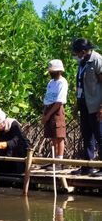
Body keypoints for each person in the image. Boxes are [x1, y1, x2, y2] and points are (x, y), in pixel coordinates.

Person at [71, 38, 102, 176]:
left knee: (100, 136)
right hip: (84, 105)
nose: (76, 55)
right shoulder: (82, 62)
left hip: (96, 106)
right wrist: (76, 104)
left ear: (83, 51)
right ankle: (87, 166)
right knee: (87, 135)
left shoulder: (97, 60)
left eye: (77, 53)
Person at [41, 59, 68, 171]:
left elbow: (59, 101)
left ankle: (59, 162)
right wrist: (44, 114)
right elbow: (47, 99)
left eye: (53, 71)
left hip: (57, 110)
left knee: (59, 136)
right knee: (52, 136)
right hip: (48, 109)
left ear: (59, 71)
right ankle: (53, 161)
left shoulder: (62, 82)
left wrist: (48, 115)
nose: (50, 73)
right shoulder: (51, 83)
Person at [0, 107, 30, 173]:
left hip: (18, 152)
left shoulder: (13, 124)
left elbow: (17, 140)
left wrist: (2, 145)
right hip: (3, 155)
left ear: (3, 122)